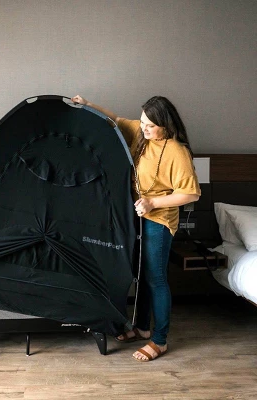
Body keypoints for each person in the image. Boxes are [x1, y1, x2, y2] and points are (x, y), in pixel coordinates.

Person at [71, 95, 201, 362]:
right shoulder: (141, 133)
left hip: (158, 220)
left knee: (155, 279)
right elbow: (116, 120)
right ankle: (142, 328)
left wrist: (153, 203)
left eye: (150, 125)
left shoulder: (177, 151)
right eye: (142, 122)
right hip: (135, 215)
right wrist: (87, 104)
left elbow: (191, 193)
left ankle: (160, 340)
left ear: (165, 125)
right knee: (139, 274)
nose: (144, 128)